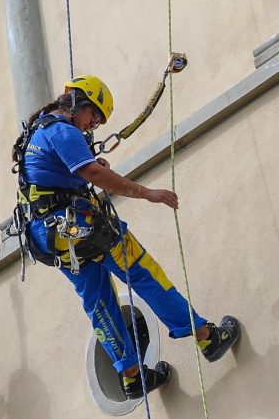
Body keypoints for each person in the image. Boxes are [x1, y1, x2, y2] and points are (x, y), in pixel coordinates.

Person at [15, 74, 241, 398]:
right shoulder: (63, 130)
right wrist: (146, 192)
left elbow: (53, 178)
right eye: (94, 116)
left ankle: (132, 377)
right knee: (144, 272)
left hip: (51, 238)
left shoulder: (38, 131)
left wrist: (85, 167)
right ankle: (207, 336)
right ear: (80, 101)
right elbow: (92, 173)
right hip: (76, 226)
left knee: (99, 302)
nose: (93, 125)